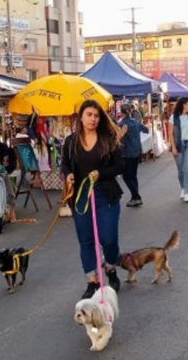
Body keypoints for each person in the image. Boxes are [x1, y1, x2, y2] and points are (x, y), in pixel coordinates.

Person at [62, 100, 124, 299]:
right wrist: (69, 174)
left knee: (109, 239)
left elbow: (120, 166)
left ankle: (110, 266)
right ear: (81, 116)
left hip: (105, 193)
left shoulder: (108, 138)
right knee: (86, 239)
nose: (93, 119)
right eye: (89, 114)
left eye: (96, 116)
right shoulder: (71, 142)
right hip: (81, 196)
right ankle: (92, 281)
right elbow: (65, 164)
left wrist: (102, 173)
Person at [169, 97, 188, 203]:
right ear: (183, 105)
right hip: (178, 144)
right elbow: (171, 134)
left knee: (186, 168)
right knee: (180, 170)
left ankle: (187, 192)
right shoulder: (174, 117)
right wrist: (173, 147)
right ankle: (182, 187)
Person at [117, 102, 149, 207]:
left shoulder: (123, 124)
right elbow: (145, 129)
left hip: (127, 153)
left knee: (126, 176)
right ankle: (134, 196)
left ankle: (136, 196)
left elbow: (119, 137)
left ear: (121, 113)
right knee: (133, 175)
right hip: (137, 152)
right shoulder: (135, 121)